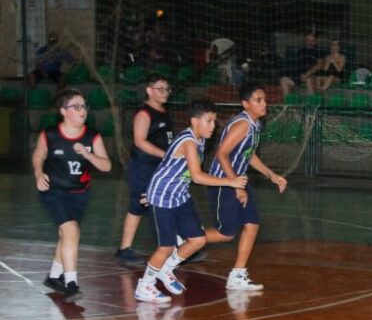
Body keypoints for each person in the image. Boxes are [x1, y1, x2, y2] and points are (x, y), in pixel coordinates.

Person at [134, 99, 247, 303]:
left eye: (214, 121)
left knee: (198, 240)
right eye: (209, 121)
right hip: (163, 196)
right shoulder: (189, 141)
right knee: (166, 247)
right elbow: (196, 176)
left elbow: (172, 166)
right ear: (195, 121)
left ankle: (166, 269)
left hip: (179, 194)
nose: (213, 126)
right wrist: (231, 181)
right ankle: (145, 285)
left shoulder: (200, 138)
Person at [205, 82, 288, 290]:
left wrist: (272, 175)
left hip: (238, 179)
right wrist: (236, 186)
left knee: (252, 224)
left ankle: (238, 274)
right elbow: (221, 154)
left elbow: (248, 155)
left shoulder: (255, 124)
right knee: (226, 233)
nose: (264, 104)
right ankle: (187, 238)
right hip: (223, 182)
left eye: (264, 99)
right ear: (245, 104)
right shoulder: (242, 124)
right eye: (258, 100)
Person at [33, 89, 112, 299]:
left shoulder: (92, 136)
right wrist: (38, 172)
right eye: (76, 106)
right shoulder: (50, 134)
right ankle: (71, 284)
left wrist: (88, 154)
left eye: (84, 106)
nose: (82, 110)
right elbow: (39, 155)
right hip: (53, 190)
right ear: (63, 111)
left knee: (68, 234)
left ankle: (53, 276)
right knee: (71, 230)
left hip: (80, 194)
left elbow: (106, 166)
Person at [115, 74, 175, 266]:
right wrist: (166, 155)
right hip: (143, 167)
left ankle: (171, 246)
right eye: (160, 88)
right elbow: (140, 141)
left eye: (167, 89)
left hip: (158, 168)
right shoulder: (144, 113)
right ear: (149, 91)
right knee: (140, 205)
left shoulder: (164, 112)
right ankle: (125, 249)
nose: (164, 92)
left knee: (156, 205)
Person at [278, 32, 325, 97]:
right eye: (308, 40)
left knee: (308, 80)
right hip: (300, 76)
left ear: (315, 41)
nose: (310, 43)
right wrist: (299, 75)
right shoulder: (301, 51)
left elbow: (320, 65)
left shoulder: (318, 50)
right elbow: (298, 66)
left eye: (312, 41)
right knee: (283, 80)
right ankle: (288, 105)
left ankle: (311, 105)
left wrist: (307, 74)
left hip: (312, 75)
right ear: (305, 41)